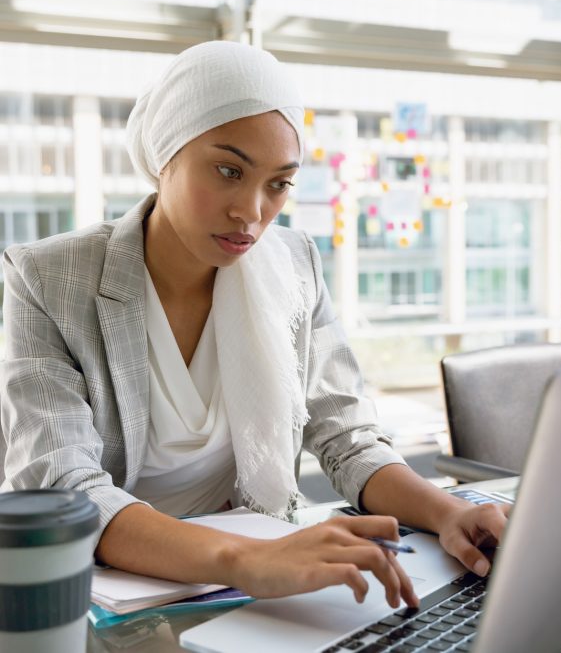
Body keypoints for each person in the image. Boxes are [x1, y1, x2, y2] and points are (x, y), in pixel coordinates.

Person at [0, 41, 508, 610]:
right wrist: (246, 558)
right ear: (165, 155)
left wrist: (451, 513)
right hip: (105, 600)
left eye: (278, 183)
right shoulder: (47, 277)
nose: (252, 212)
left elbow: (347, 437)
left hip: (246, 587)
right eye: (227, 170)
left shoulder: (293, 266)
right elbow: (65, 493)